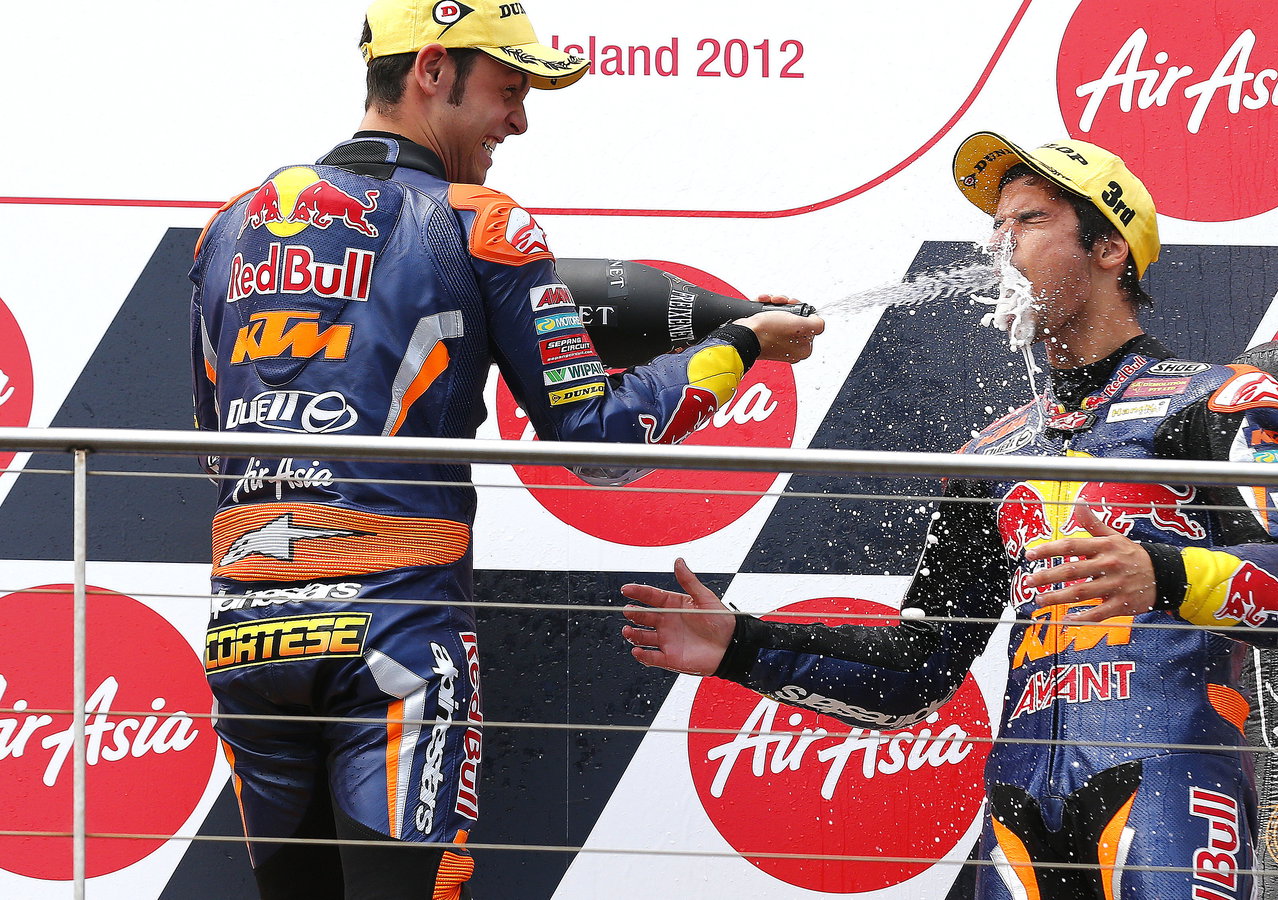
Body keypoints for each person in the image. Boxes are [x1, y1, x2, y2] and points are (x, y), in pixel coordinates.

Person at [188, 1, 823, 897]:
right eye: (509, 88)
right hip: (393, 633)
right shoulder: (479, 223)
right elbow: (601, 441)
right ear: (432, 69)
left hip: (247, 633)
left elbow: (214, 444)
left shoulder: (228, 228)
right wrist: (742, 345)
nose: (518, 120)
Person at [620, 133, 1278, 899]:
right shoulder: (991, 454)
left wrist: (1159, 574)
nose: (1000, 245)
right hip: (1020, 813)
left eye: (1027, 221)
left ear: (1108, 248)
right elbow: (918, 672)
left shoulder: (1217, 400)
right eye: (995, 227)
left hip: (1170, 790)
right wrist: (742, 645)